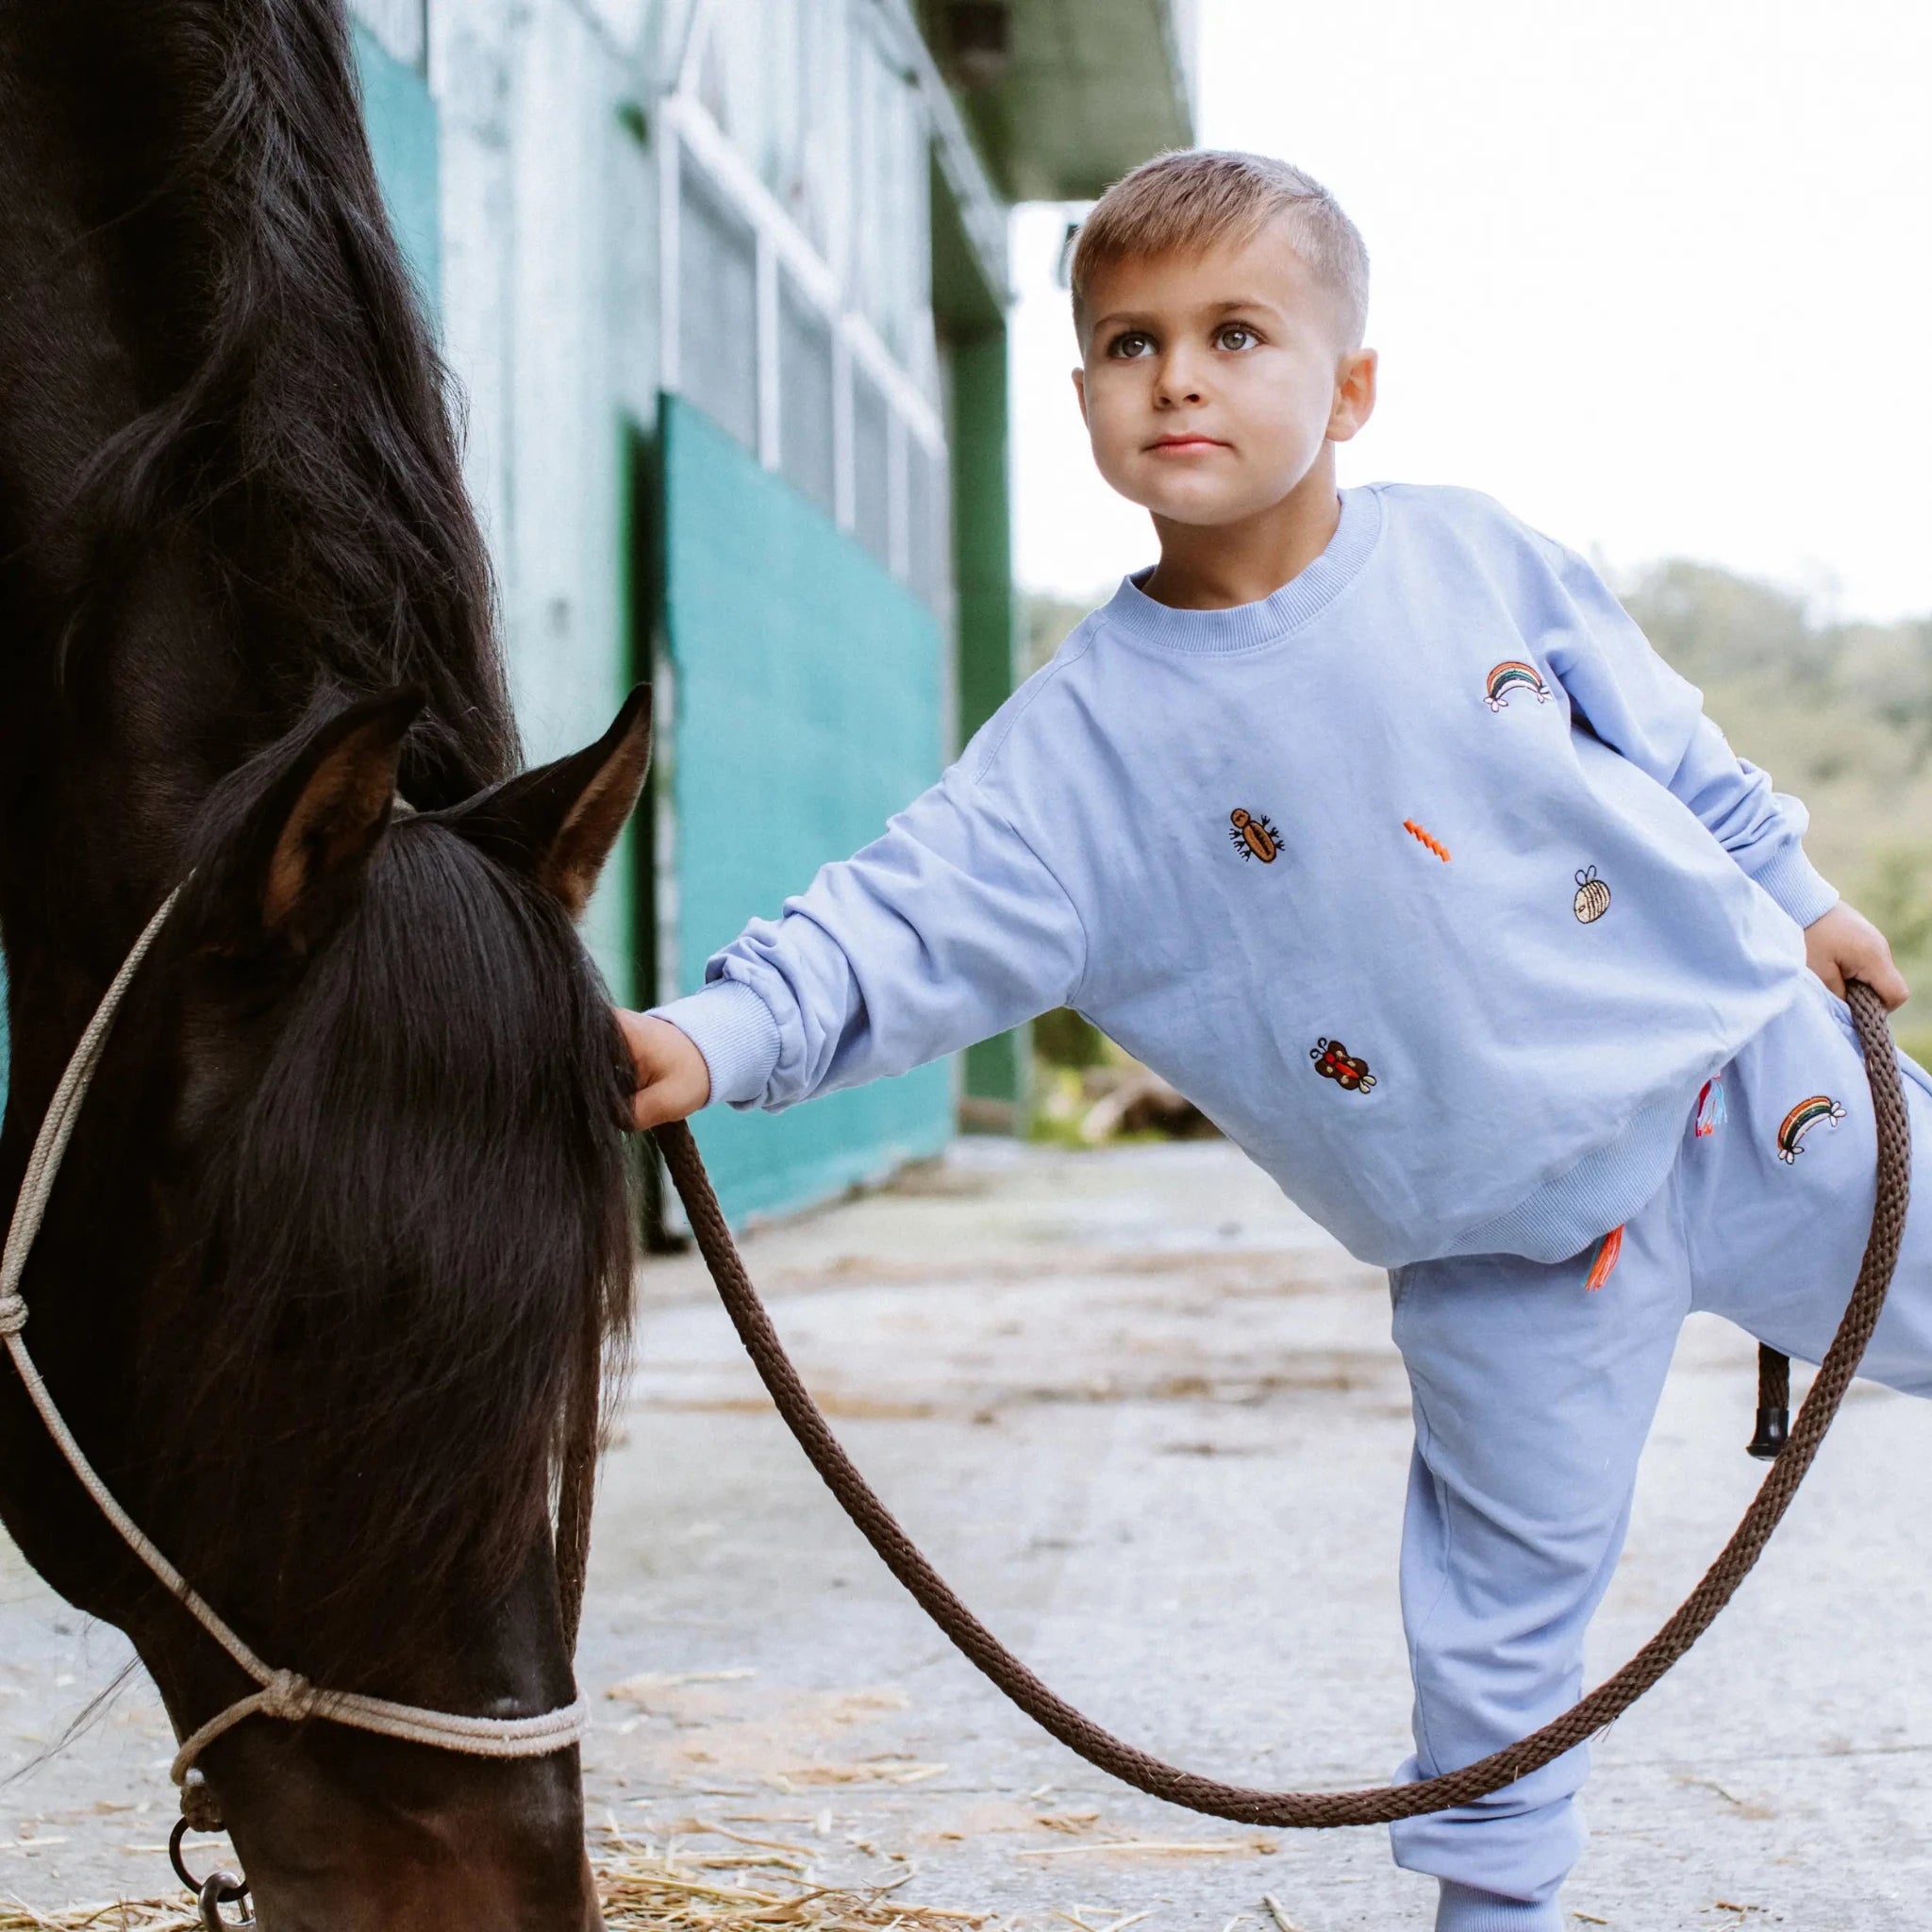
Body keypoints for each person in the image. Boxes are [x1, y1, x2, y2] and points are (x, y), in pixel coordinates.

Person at [618, 150, 1927, 1930]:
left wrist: (1804, 895)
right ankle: (1500, 1916)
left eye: (1236, 333)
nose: (1178, 376)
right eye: (1126, 341)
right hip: (1505, 1253)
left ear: (1351, 383)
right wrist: (714, 1033)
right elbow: (900, 917)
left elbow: (1675, 745)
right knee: (1494, 1638)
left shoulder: (1481, 558)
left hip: (1751, 1082)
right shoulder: (1079, 756)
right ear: (1081, 388)